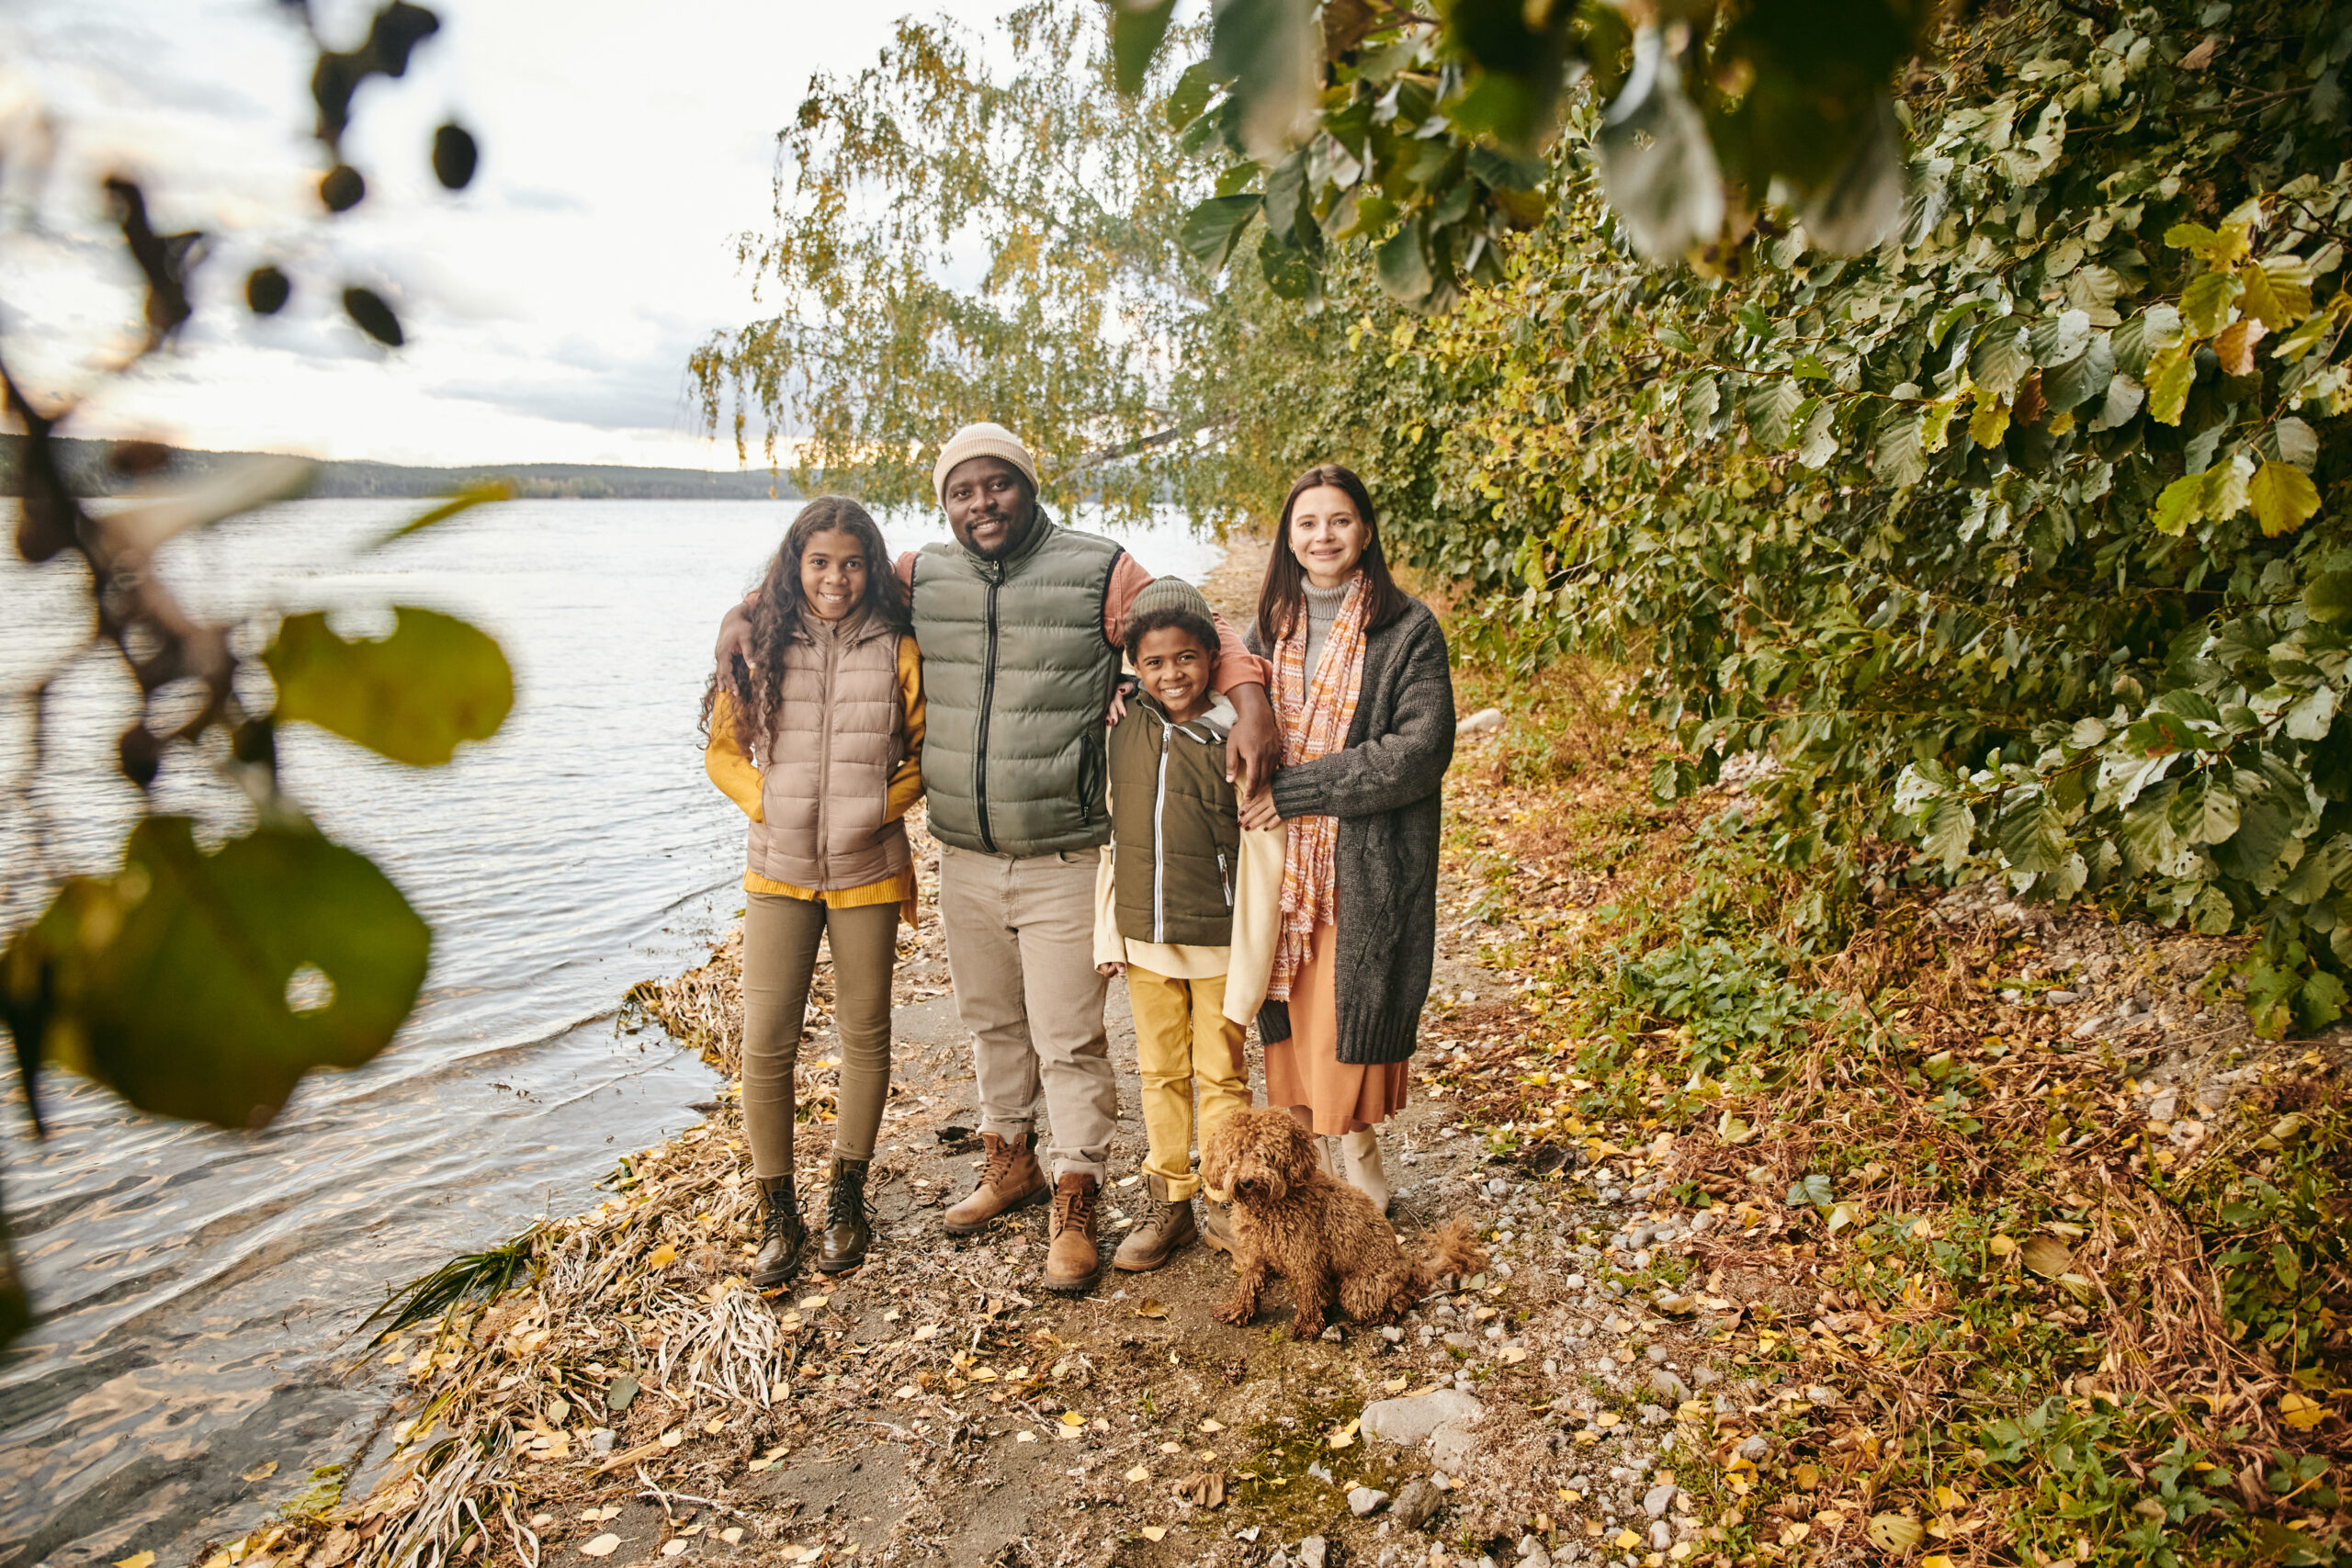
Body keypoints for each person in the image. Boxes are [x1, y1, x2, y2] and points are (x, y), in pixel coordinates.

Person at [715, 423, 1279, 1293]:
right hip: (964, 852)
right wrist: (736, 617)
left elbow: (1194, 620)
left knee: (1069, 1035)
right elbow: (817, 584)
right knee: (991, 1023)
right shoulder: (920, 576)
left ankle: (1077, 1192)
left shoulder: (1098, 569)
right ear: (945, 502)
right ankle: (1008, 1162)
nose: (982, 504)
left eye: (998, 484)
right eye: (962, 491)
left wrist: (1249, 702)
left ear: (1027, 484)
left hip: (1065, 848)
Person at [702, 496, 925, 1284]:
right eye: (821, 561)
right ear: (796, 564)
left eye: (853, 562)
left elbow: (925, 753)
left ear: (873, 566)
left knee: (864, 1034)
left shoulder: (901, 645)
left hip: (867, 869)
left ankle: (846, 1200)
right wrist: (769, 802)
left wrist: (875, 808)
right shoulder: (762, 644)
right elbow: (723, 752)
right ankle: (777, 1214)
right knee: (767, 1044)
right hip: (778, 869)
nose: (837, 577)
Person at [1238, 464, 1454, 1213]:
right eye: (1307, 522)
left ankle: (1359, 1158)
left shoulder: (1408, 629)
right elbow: (1220, 706)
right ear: (1288, 537)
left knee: (1341, 1019)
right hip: (1281, 866)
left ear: (1365, 530)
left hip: (1365, 866)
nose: (1322, 535)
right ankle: (1308, 1173)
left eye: (1338, 520)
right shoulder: (1266, 628)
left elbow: (1416, 752)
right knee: (1290, 1025)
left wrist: (1293, 791)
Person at [1090, 578, 1284, 1270]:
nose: (1171, 674)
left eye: (1186, 658)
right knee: (1159, 1070)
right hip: (1146, 935)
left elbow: (1262, 849)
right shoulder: (1123, 725)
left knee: (1222, 1074)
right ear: (1133, 669)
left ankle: (1226, 1201)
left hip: (1219, 936)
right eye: (1153, 662)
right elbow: (1114, 835)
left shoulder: (1239, 735)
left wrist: (1256, 943)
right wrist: (1108, 931)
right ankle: (1167, 1199)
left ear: (1212, 656)